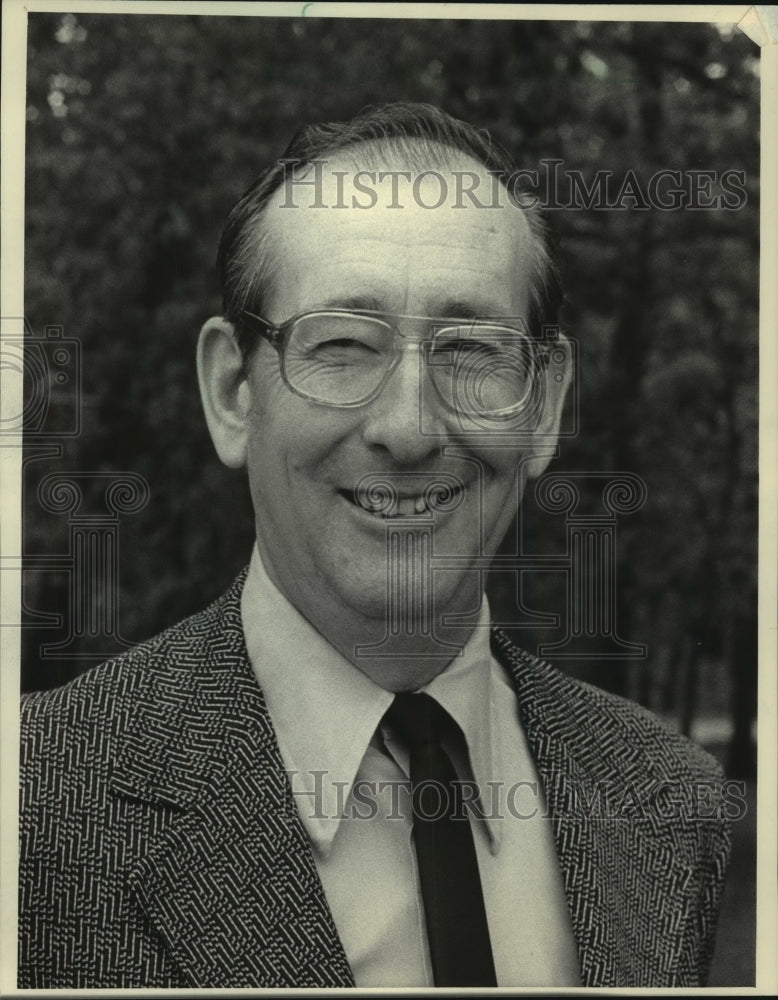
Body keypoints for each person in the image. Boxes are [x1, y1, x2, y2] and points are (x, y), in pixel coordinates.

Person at [18, 102, 731, 989]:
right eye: (344, 345)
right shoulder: (32, 811)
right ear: (234, 391)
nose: (409, 425)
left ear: (543, 406)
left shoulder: (668, 803)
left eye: (472, 350)